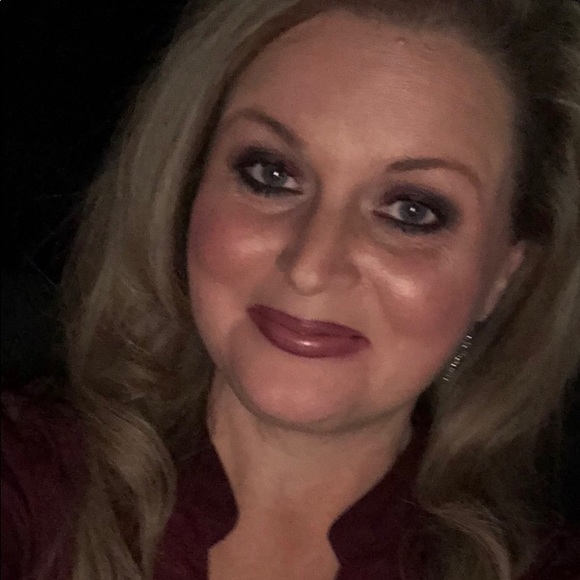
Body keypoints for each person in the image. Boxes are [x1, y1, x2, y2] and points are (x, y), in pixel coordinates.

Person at [2, 0, 580, 578]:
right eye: (271, 174)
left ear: (503, 275)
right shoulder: (28, 482)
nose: (310, 265)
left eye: (412, 211)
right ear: (186, 187)